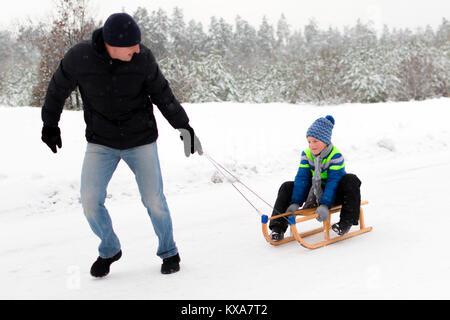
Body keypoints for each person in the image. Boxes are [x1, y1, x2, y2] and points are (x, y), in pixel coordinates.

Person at [40, 13, 203, 277]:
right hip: (101, 141)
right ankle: (109, 248)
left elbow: (163, 93)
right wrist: (50, 124)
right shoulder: (80, 58)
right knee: (90, 201)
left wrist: (182, 126)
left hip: (140, 140)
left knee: (154, 199)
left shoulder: (143, 59)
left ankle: (169, 250)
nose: (138, 49)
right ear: (112, 44)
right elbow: (57, 88)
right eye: (132, 45)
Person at [269, 115, 362, 241]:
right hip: (313, 192)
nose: (312, 145)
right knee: (287, 186)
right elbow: (303, 179)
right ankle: (277, 228)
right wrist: (295, 202)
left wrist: (325, 204)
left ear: (325, 141)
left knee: (351, 180)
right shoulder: (306, 155)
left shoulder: (335, 155)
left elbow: (333, 182)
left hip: (334, 193)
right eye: (309, 141)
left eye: (315, 141)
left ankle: (345, 223)